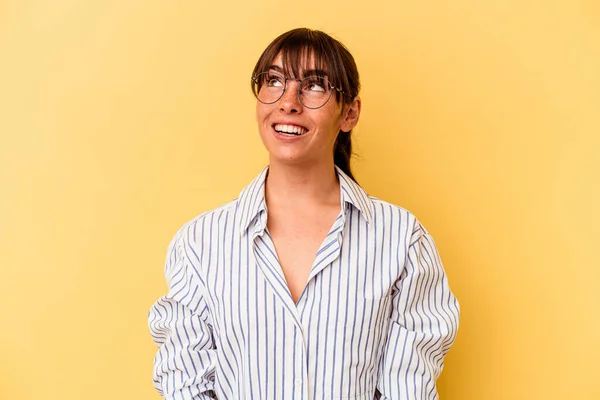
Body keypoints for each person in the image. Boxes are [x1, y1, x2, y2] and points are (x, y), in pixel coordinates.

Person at [148, 28, 460, 400]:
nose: (288, 102)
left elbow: (406, 389)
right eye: (275, 81)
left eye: (314, 86)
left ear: (350, 113)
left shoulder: (401, 239)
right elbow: (185, 385)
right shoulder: (200, 243)